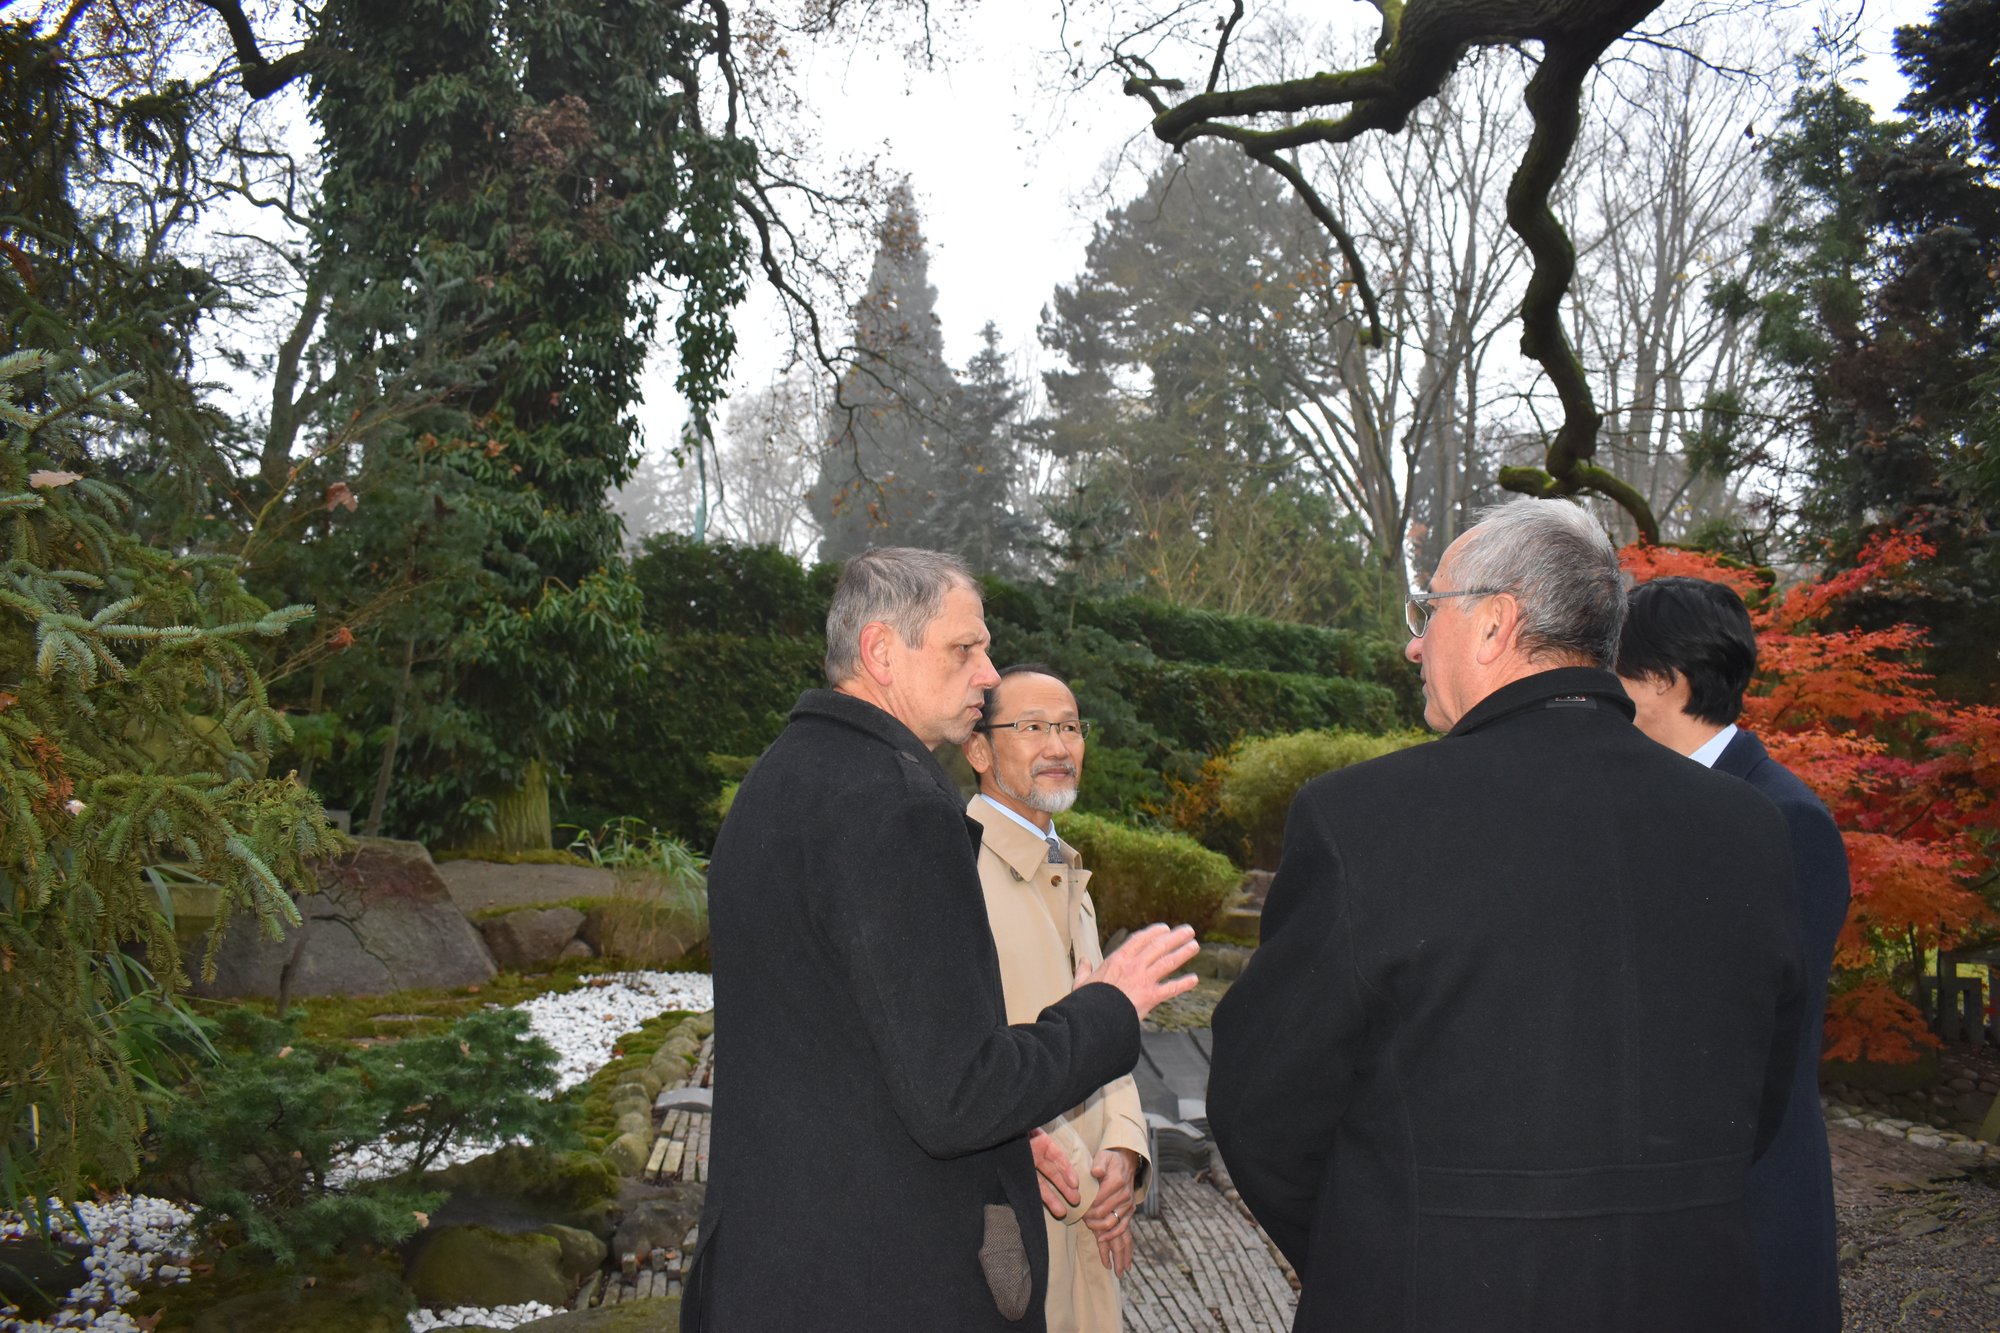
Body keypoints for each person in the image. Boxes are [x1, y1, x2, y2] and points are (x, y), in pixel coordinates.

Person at [1208, 497, 1806, 1331]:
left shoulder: (1367, 820)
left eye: (1428, 611)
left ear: (1494, 623)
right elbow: (1764, 1097)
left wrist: (1384, 1250)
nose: (1413, 643)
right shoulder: (1750, 827)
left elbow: (1261, 1107)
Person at [683, 547, 1199, 1333]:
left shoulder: (776, 782)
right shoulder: (899, 804)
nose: (988, 673)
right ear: (881, 651)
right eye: (965, 648)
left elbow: (853, 1050)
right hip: (881, 1284)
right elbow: (958, 1096)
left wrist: (1006, 1144)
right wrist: (1107, 1007)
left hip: (774, 1271)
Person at [1617, 575, 1850, 1333]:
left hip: (1749, 1192)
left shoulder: (1786, 819)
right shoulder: (1643, 802)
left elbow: (1765, 1034)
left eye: (1614, 669)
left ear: (1665, 680)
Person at [963, 664, 1149, 1333]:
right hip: (1013, 1211)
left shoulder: (1063, 868)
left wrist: (1125, 1150)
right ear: (979, 749)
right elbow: (968, 1059)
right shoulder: (956, 871)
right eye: (1032, 726)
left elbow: (1105, 1026)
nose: (1058, 746)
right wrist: (1092, 1182)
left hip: (1088, 1211)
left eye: (1070, 727)